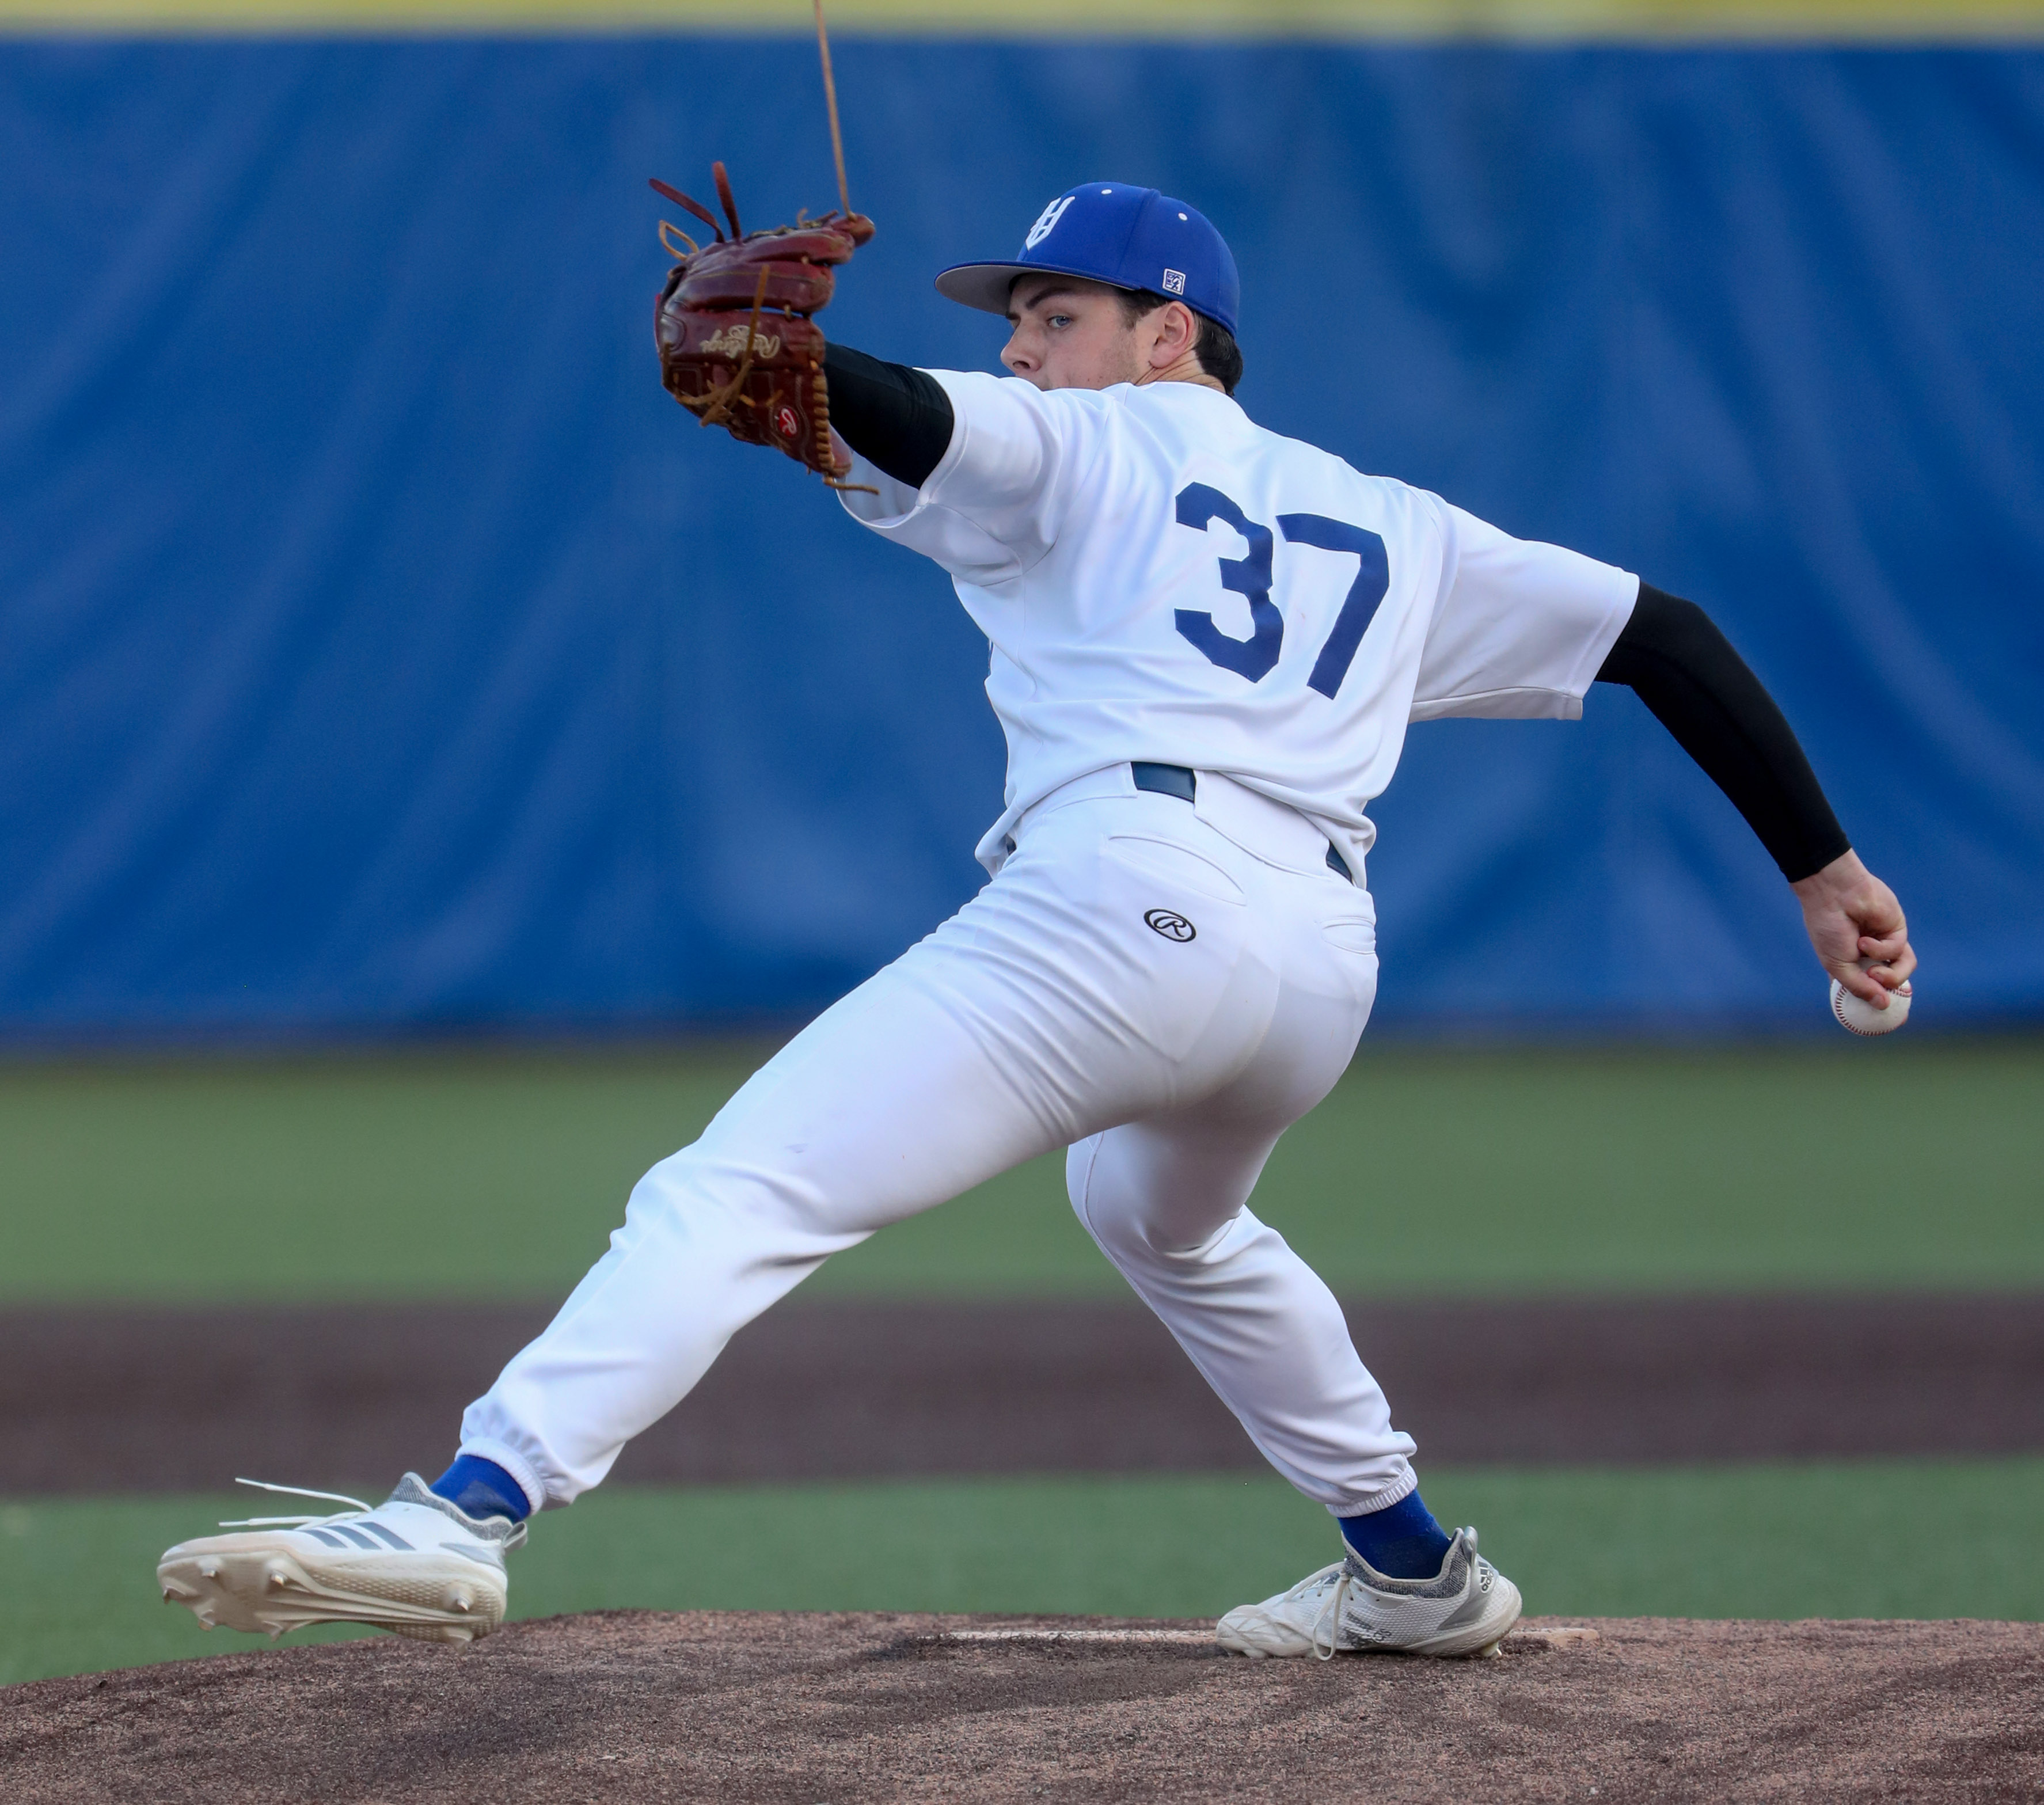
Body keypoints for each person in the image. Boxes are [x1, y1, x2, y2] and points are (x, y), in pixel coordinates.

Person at [158, 181, 1915, 1659]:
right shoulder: (1396, 523)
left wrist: (767, 349)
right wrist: (1824, 872)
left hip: (1124, 909)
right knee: (1168, 1216)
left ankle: (468, 1509)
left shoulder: (1090, 441)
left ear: (1171, 334)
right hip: (1315, 966)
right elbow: (1666, 635)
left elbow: (900, 411)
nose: (1019, 346)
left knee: (741, 1183)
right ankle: (1407, 1566)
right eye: (1017, 322)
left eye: (1054, 312)